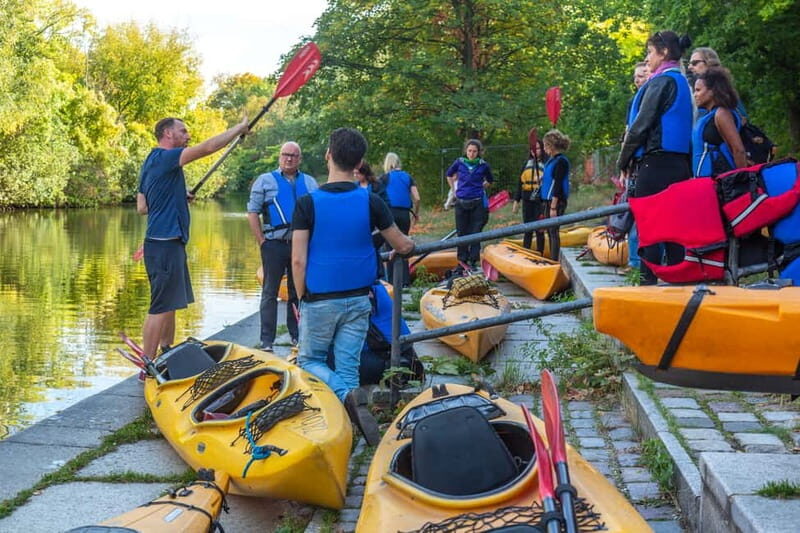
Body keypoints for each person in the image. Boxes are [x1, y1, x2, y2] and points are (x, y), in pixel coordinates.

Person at [292, 127, 415, 445]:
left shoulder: (307, 203)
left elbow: (298, 261)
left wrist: (301, 296)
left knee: (309, 361)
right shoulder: (371, 201)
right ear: (360, 162)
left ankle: (346, 402)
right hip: (360, 299)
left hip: (320, 298)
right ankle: (348, 428)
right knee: (348, 366)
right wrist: (409, 245)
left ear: (328, 156)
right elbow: (401, 244)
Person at [137, 116, 249, 361]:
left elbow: (142, 206)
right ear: (167, 133)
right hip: (165, 244)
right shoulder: (167, 158)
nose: (188, 136)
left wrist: (176, 195)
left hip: (163, 242)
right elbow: (207, 148)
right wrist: (239, 128)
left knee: (170, 302)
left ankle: (166, 353)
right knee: (159, 306)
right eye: (183, 131)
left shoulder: (149, 162)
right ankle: (146, 367)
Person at [617, 30, 693, 285]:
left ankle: (647, 285)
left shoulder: (661, 82)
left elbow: (641, 126)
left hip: (656, 164)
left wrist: (623, 161)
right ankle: (677, 283)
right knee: (675, 230)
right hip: (679, 165)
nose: (647, 58)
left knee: (650, 228)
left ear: (664, 53)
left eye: (650, 52)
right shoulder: (682, 81)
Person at [246, 142, 318, 352]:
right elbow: (252, 212)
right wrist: (261, 241)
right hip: (274, 244)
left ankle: (297, 336)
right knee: (270, 292)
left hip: (301, 245)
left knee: (298, 292)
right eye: (286, 155)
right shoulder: (265, 181)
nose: (289, 159)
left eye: (294, 156)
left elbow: (319, 212)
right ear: (279, 156)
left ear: (300, 159)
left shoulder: (310, 183)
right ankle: (267, 341)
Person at [446, 139, 494, 270]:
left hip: (477, 202)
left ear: (478, 152)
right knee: (462, 232)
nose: (471, 154)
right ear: (465, 151)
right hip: (461, 202)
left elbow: (490, 180)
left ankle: (473, 261)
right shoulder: (459, 163)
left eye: (474, 151)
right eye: (469, 151)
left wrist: (481, 187)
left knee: (475, 231)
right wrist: (454, 190)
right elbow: (449, 175)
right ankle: (462, 261)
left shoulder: (483, 165)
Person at [692, 67, 748, 177]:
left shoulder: (722, 113)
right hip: (705, 180)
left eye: (698, 90)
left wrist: (743, 178)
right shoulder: (708, 116)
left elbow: (738, 150)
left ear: (712, 91)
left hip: (720, 180)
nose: (695, 94)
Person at [623, 61, 650, 274]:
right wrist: (624, 164)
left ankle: (639, 263)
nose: (637, 80)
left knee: (641, 215)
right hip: (635, 166)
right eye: (635, 77)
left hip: (649, 164)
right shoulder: (634, 101)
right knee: (633, 213)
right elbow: (628, 134)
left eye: (641, 76)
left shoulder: (655, 95)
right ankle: (634, 261)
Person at [381, 153, 420, 285]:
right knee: (404, 244)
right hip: (404, 214)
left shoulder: (385, 178)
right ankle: (405, 280)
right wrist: (416, 214)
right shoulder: (407, 177)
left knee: (389, 246)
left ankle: (392, 281)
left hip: (389, 213)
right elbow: (417, 198)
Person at [688, 47, 748, 121]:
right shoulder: (699, 95)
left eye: (694, 63)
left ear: (709, 63)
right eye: (690, 64)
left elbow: (742, 120)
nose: (689, 67)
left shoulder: (725, 94)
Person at [355, 160, 390, 278]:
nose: (356, 176)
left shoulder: (376, 185)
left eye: (358, 173)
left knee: (376, 252)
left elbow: (385, 204)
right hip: (362, 226)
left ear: (364, 173)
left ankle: (382, 279)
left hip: (376, 227)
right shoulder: (355, 187)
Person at [540, 130, 571, 261]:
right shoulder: (552, 160)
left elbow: (557, 185)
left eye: (545, 146)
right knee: (549, 231)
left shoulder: (561, 162)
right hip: (547, 200)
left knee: (553, 232)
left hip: (556, 201)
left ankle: (554, 260)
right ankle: (553, 258)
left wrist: (553, 207)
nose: (544, 149)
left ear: (551, 146)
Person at [512, 139, 546, 252]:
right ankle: (526, 252)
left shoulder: (546, 164)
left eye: (537, 148)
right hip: (527, 199)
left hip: (540, 200)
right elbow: (519, 183)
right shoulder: (526, 164)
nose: (534, 151)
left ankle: (540, 253)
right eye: (532, 148)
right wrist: (516, 201)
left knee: (539, 229)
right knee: (527, 228)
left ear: (542, 149)